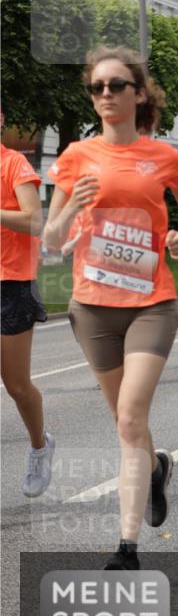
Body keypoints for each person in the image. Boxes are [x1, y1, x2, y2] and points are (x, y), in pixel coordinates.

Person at [44, 46, 178, 570]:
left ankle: (127, 545)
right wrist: (71, 204)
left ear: (139, 93)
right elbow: (51, 236)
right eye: (97, 88)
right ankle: (155, 468)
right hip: (92, 307)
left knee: (132, 416)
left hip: (150, 305)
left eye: (116, 85)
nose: (106, 95)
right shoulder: (76, 156)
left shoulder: (163, 156)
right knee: (126, 424)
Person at [1, 134, 53, 497]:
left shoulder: (13, 164)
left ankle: (39, 445)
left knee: (17, 386)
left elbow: (35, 219)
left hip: (10, 284)